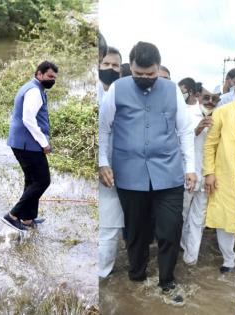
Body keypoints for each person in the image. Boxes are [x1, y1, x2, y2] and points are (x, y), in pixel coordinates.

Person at [99, 41, 196, 294]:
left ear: (157, 67)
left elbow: (185, 130)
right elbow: (104, 128)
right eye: (139, 74)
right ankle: (137, 275)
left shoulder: (172, 90)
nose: (144, 78)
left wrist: (191, 167)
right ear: (130, 67)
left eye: (150, 74)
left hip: (169, 172)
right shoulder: (116, 90)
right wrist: (103, 162)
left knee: (170, 227)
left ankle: (166, 280)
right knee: (136, 231)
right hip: (130, 174)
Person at [2, 61, 58, 231]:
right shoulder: (34, 91)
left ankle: (27, 218)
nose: (52, 80)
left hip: (22, 143)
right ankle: (12, 215)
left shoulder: (33, 87)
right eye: (49, 76)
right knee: (42, 180)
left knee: (32, 180)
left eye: (54, 78)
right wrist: (44, 143)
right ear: (39, 74)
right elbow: (28, 119)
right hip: (28, 144)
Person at [180, 87, 217, 265]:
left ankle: (190, 258)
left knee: (198, 218)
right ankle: (180, 246)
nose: (210, 101)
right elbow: (180, 141)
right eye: (206, 97)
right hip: (189, 173)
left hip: (207, 175)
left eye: (214, 98)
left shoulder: (219, 118)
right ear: (198, 96)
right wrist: (197, 128)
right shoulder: (187, 114)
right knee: (183, 213)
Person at [203, 99, 235, 273]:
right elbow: (210, 145)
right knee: (224, 217)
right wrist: (209, 172)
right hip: (225, 173)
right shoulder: (222, 112)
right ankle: (229, 260)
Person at [98, 45, 124, 278]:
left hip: (116, 171)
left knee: (110, 228)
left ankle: (103, 275)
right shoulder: (94, 94)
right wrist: (100, 161)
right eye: (106, 64)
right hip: (101, 167)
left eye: (115, 65)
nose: (110, 68)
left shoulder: (119, 95)